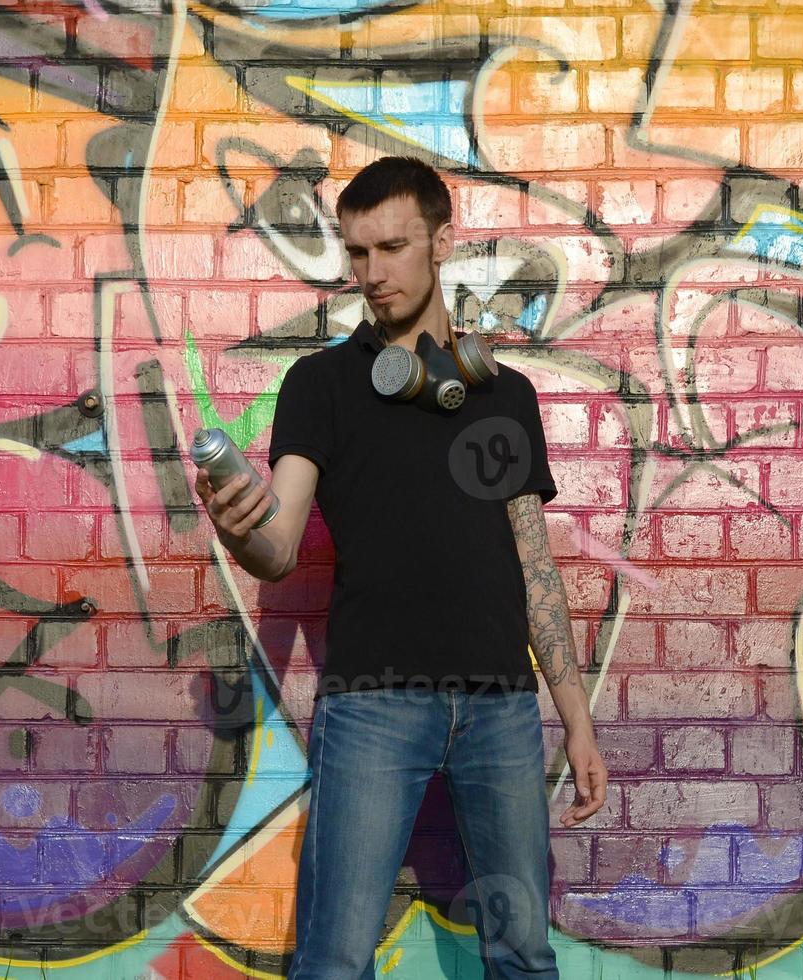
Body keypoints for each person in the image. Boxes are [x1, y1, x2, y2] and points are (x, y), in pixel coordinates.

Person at [194, 155, 607, 979]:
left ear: (442, 242)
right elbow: (277, 547)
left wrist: (578, 718)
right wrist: (241, 532)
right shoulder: (321, 386)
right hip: (373, 707)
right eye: (357, 253)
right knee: (335, 961)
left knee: (525, 957)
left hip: (502, 712)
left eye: (392, 248)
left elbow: (534, 565)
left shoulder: (501, 395)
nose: (372, 274)